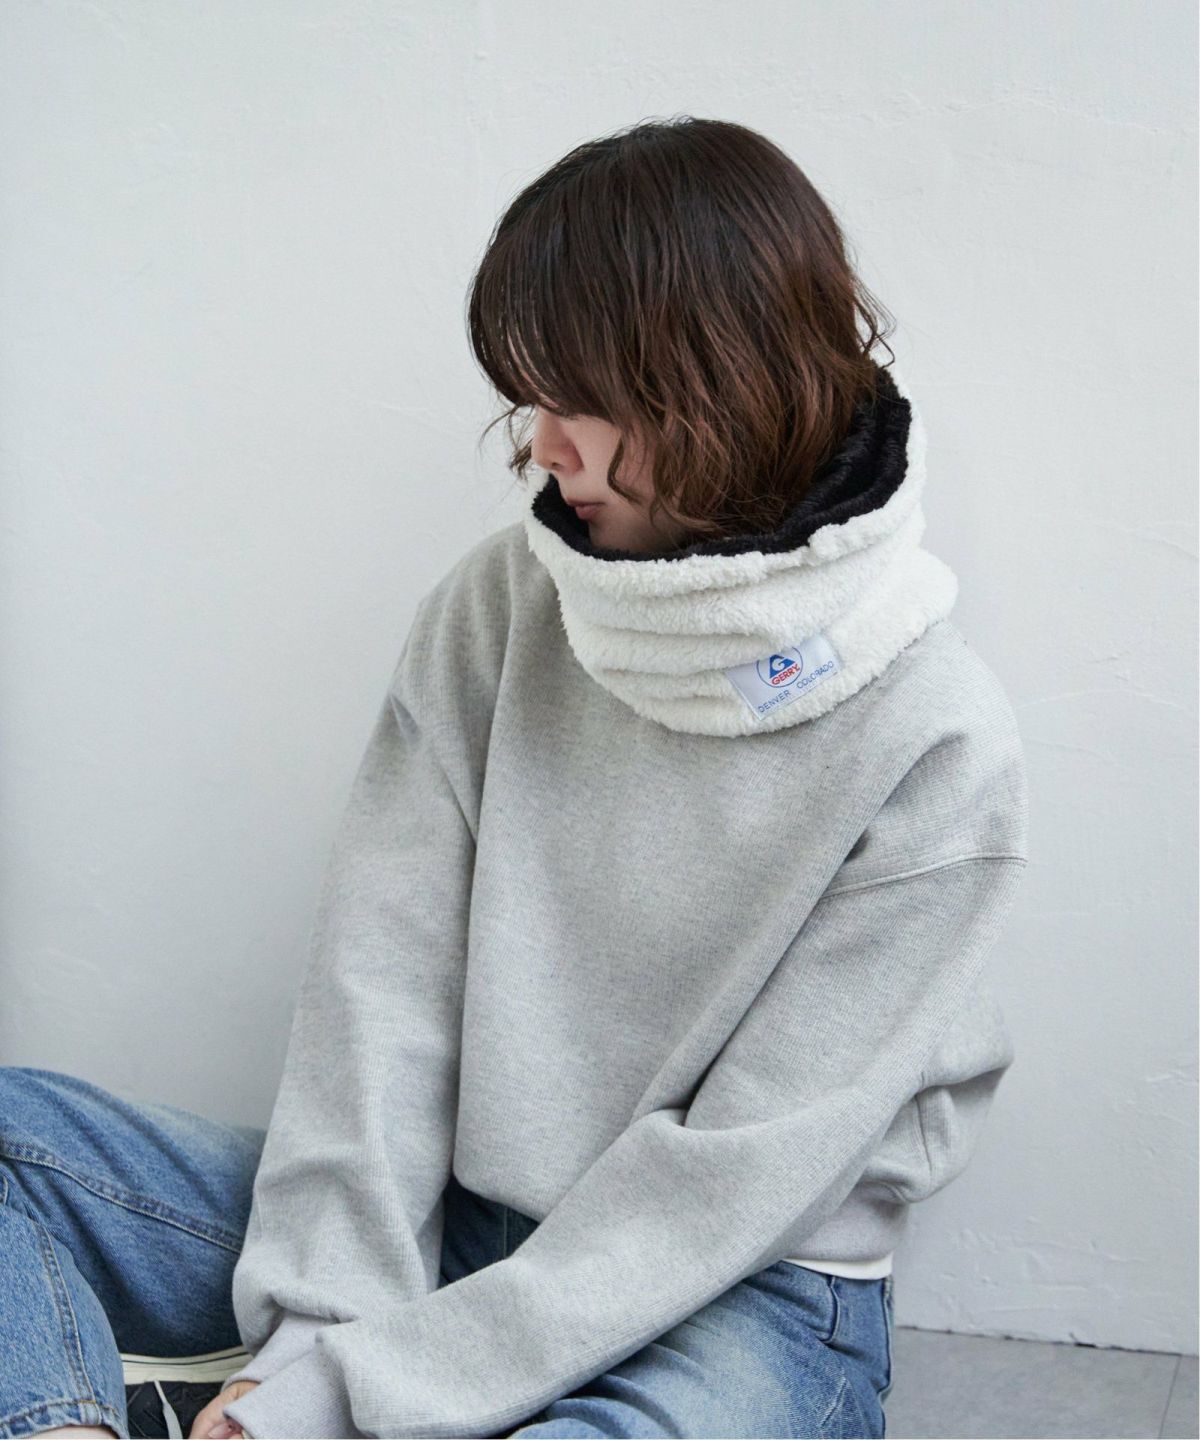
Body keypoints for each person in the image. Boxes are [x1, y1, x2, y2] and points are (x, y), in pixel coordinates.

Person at [0, 116, 1028, 1440]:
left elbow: (731, 1185)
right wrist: (321, 1328)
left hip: (745, 1294)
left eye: (579, 401)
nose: (544, 446)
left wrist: (361, 1395)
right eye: (530, 398)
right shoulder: (500, 608)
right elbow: (382, 992)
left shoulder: (936, 736)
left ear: (718, 384)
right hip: (454, 1227)